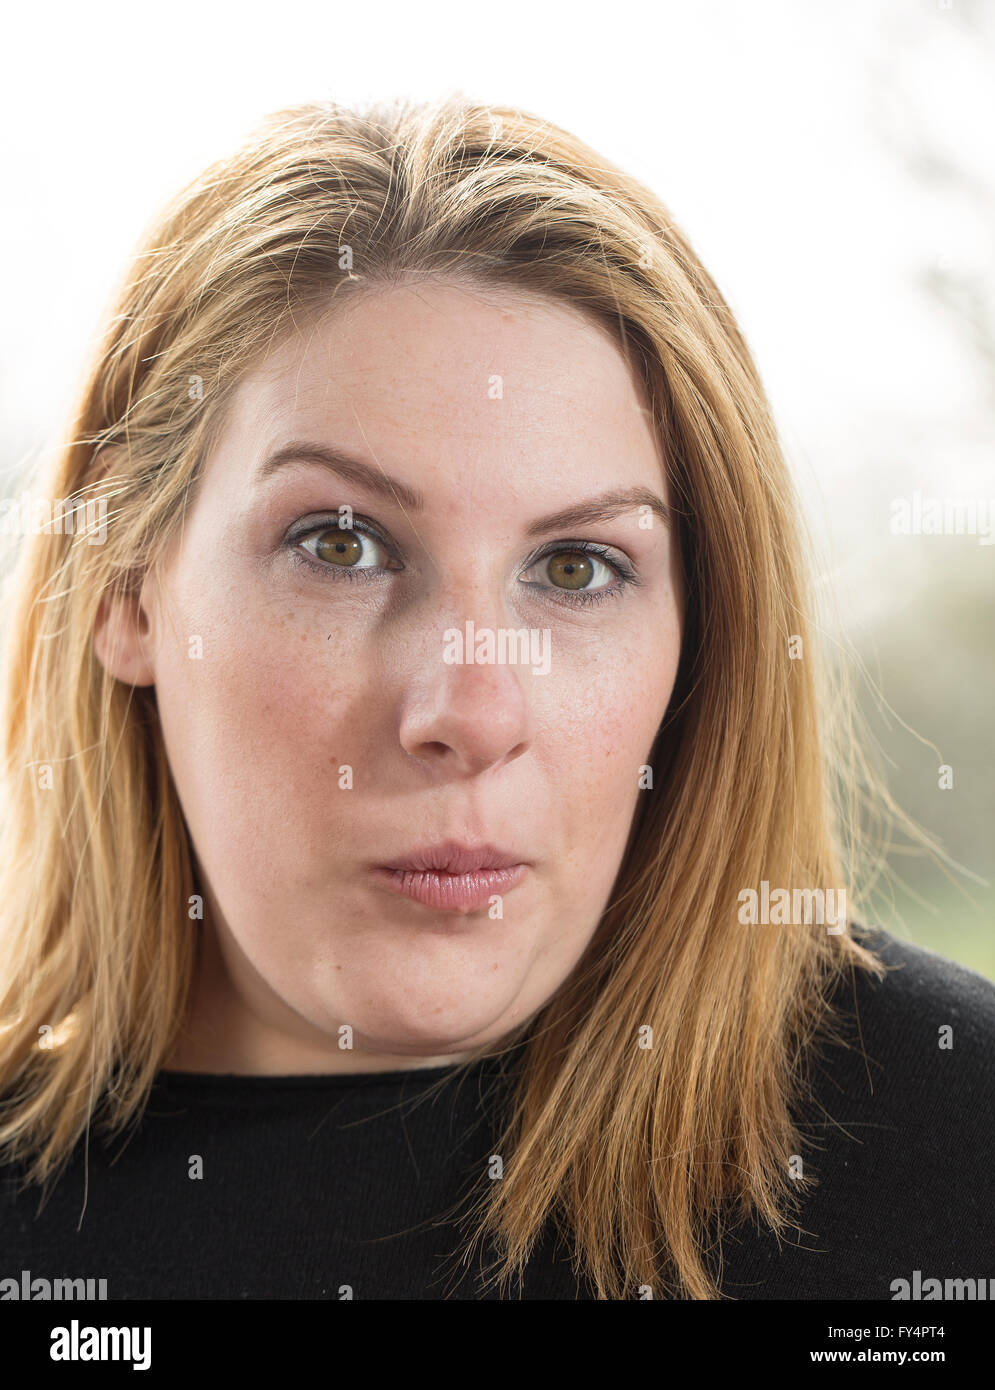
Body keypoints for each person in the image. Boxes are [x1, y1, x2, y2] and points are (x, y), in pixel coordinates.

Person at [0, 95, 991, 1302]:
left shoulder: (950, 1152)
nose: (470, 709)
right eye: (341, 543)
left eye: (576, 568)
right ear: (124, 586)